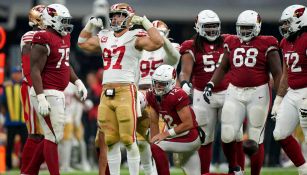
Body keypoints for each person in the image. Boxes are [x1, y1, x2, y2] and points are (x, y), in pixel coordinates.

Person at [77, 3, 164, 175]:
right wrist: (89, 26)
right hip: (106, 93)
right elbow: (82, 43)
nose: (115, 18)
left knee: (128, 139)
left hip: (126, 91)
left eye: (120, 15)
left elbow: (158, 41)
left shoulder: (135, 36)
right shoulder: (104, 36)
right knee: (110, 141)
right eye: (114, 15)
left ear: (129, 18)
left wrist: (145, 23)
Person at [203, 10, 282, 175]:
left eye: (248, 27)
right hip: (234, 90)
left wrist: (280, 97)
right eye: (242, 28)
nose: (245, 31)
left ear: (257, 26)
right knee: (226, 134)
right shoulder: (231, 41)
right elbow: (223, 66)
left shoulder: (268, 43)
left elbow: (277, 73)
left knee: (254, 138)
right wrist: (211, 83)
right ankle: (235, 169)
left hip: (258, 92)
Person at [179, 10, 245, 174]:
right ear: (198, 27)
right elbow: (184, 71)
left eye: (215, 26)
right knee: (205, 138)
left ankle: (237, 169)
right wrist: (185, 83)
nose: (212, 30)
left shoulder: (229, 41)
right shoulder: (190, 46)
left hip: (228, 92)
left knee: (234, 134)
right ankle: (204, 172)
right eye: (208, 26)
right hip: (203, 95)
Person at [30, 4, 87, 175]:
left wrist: (77, 82)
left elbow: (64, 65)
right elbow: (34, 70)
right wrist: (41, 97)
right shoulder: (42, 37)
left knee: (53, 136)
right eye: (63, 21)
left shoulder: (65, 37)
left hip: (57, 93)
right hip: (47, 92)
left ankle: (28, 171)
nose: (66, 24)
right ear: (51, 20)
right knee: (53, 136)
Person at [137, 19, 180, 175]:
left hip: (161, 96)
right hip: (140, 93)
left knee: (157, 141)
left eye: (160, 35)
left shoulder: (171, 48)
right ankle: (150, 172)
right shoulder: (140, 49)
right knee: (141, 142)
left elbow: (174, 57)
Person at [147, 64, 202, 175]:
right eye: (156, 82)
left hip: (189, 137)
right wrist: (154, 139)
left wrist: (165, 134)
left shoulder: (177, 95)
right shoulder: (151, 95)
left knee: (157, 146)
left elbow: (188, 123)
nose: (157, 86)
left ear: (171, 82)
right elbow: (153, 121)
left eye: (162, 84)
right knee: (155, 145)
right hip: (176, 137)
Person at [272, 4, 307, 175]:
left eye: (288, 23)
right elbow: (286, 74)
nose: (284, 27)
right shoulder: (285, 42)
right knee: (280, 133)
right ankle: (303, 168)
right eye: (284, 23)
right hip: (293, 93)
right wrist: (278, 100)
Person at [19, 5, 45, 175]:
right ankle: (27, 171)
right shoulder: (31, 36)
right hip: (32, 87)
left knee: (47, 134)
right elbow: (29, 66)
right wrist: (36, 89)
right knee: (36, 134)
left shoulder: (44, 35)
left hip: (42, 87)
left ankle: (30, 170)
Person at [0, 66, 27, 171]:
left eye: (19, 73)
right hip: (10, 122)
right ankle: (8, 166)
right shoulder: (7, 87)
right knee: (9, 145)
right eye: (15, 73)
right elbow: (2, 103)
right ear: (12, 74)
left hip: (23, 122)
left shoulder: (25, 85)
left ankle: (24, 165)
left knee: (25, 146)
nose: (17, 75)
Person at [60, 82, 90, 172]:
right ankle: (64, 165)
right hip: (65, 116)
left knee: (77, 141)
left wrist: (77, 117)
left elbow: (78, 99)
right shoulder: (69, 85)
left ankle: (82, 162)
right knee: (63, 142)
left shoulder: (72, 85)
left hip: (70, 117)